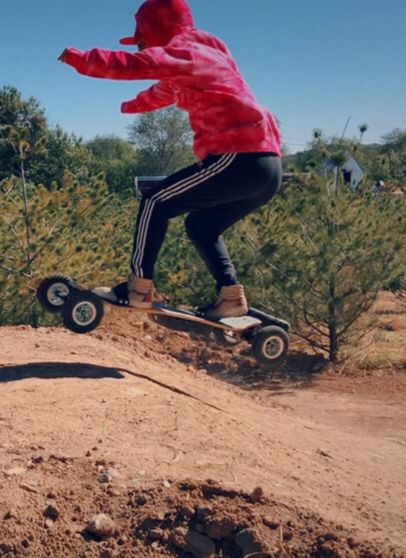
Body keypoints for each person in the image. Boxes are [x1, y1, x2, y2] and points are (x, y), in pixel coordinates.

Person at [59, 0, 282, 319]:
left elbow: (131, 65)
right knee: (201, 226)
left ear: (157, 30)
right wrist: (130, 107)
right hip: (267, 167)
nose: (141, 45)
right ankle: (231, 296)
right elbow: (163, 92)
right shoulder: (199, 59)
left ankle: (139, 287)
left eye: (141, 40)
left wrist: (79, 59)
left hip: (239, 155)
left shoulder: (186, 51)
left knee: (154, 202)